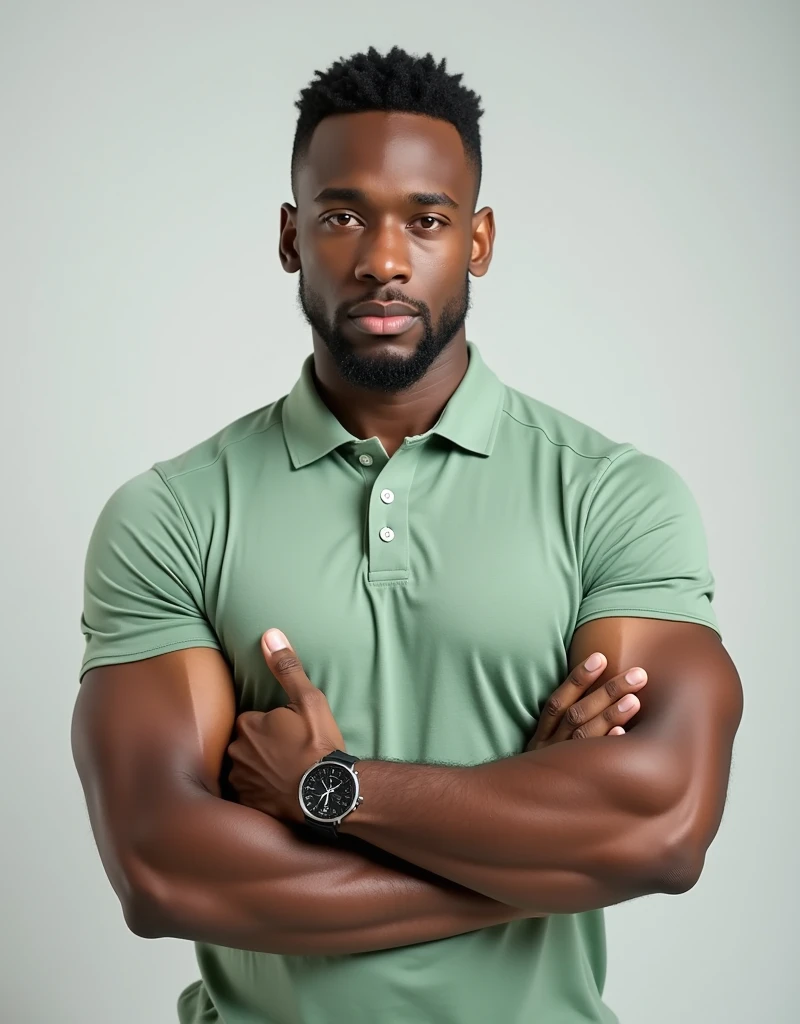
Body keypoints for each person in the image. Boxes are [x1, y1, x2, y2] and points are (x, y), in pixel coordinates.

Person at [71, 45, 743, 1024]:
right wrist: (537, 854)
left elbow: (662, 825)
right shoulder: (173, 514)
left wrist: (327, 788)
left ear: (477, 241)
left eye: (425, 221)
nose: (383, 259)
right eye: (342, 216)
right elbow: (165, 870)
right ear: (290, 236)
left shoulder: (614, 497)